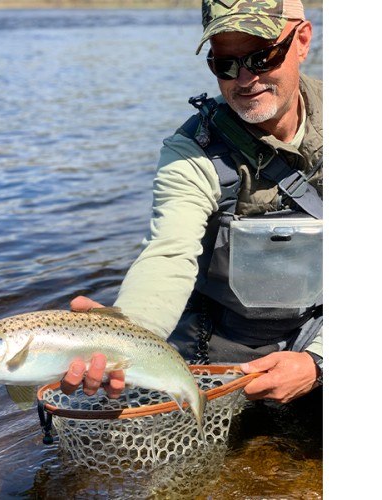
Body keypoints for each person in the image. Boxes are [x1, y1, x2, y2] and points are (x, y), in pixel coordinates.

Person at [61, 0, 322, 405]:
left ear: (302, 40)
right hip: (227, 345)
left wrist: (319, 360)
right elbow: (169, 253)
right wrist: (125, 338)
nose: (246, 78)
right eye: (225, 64)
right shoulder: (190, 152)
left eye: (261, 56)